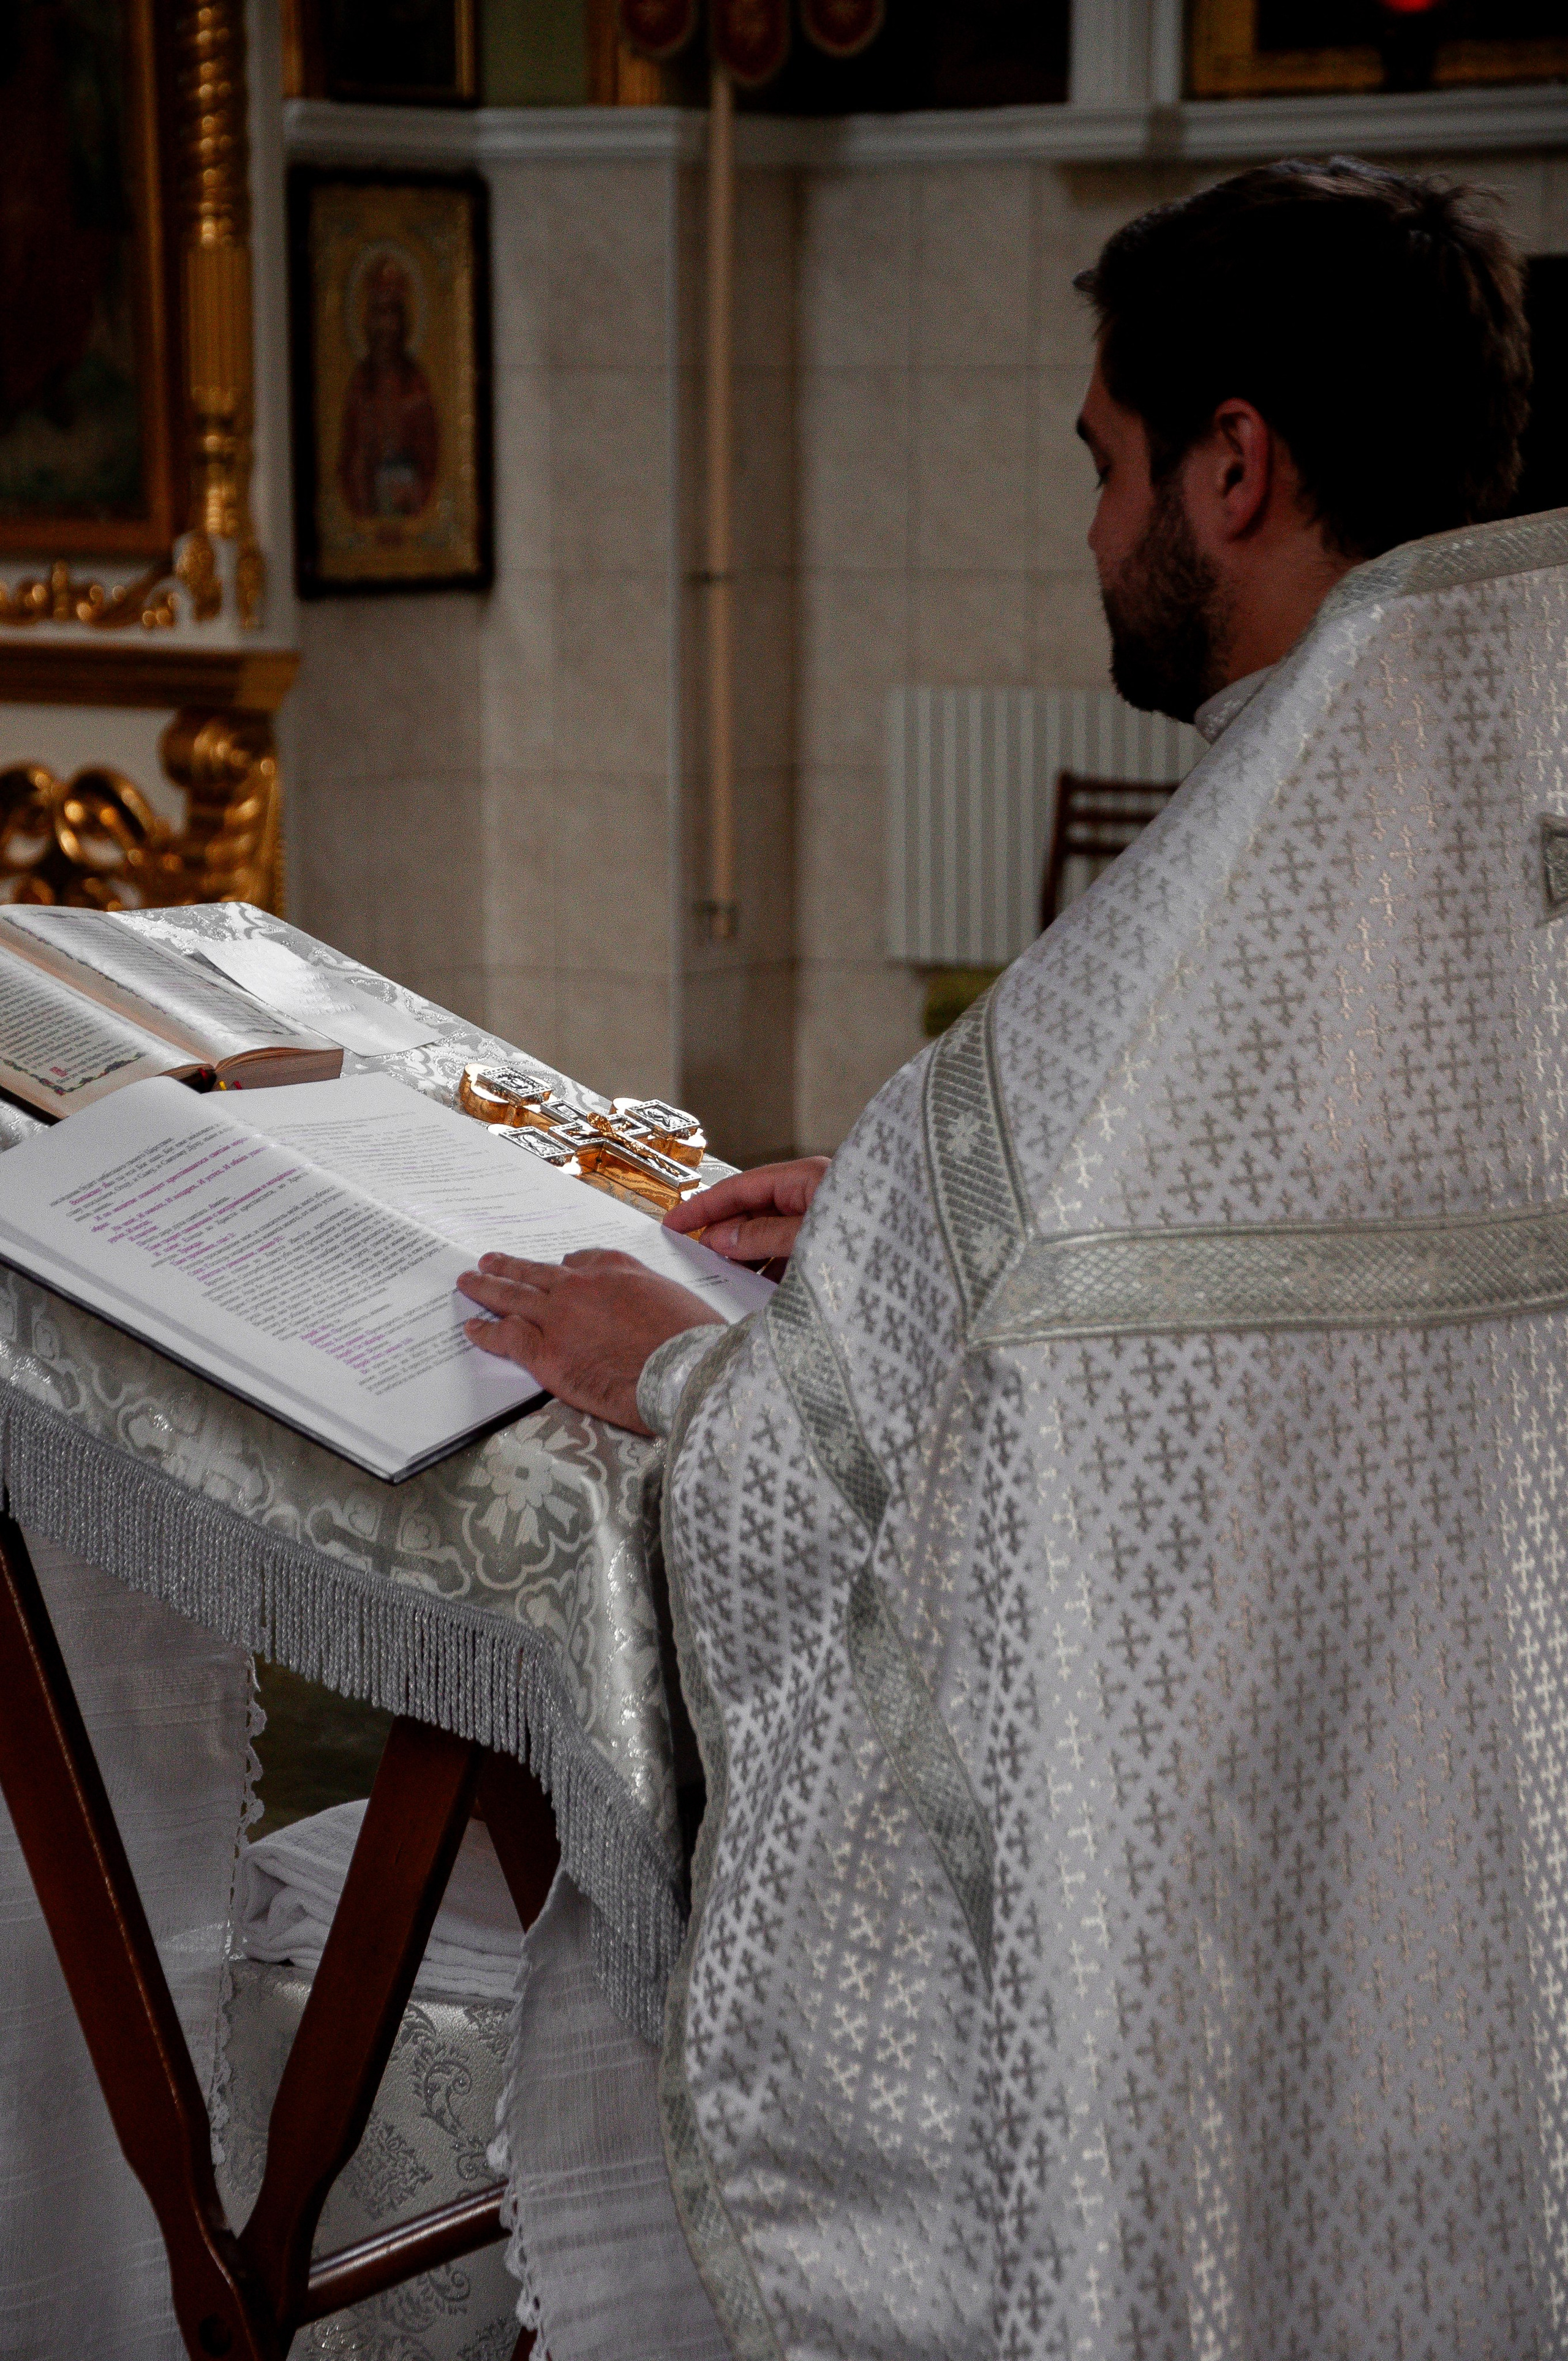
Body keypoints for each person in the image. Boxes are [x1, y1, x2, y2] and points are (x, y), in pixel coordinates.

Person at [462, 160, 1561, 2357]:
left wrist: (682, 1371)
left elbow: (852, 1496)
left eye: (1098, 459)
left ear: (1226, 465)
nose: (1087, 529)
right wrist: (889, 1183)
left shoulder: (1139, 994)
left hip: (1239, 1992)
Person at [337, 254, 440, 521]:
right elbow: (349, 458)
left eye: (391, 313)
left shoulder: (414, 382)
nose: (384, 326)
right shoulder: (361, 383)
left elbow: (430, 456)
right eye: (377, 313)